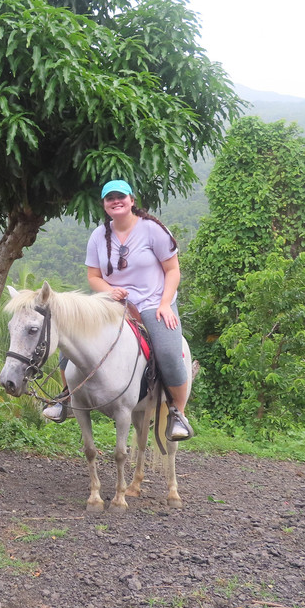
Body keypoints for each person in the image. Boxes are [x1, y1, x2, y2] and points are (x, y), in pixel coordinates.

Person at [43, 179, 193, 441]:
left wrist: (165, 304)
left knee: (169, 351)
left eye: (121, 196)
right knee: (71, 341)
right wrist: (108, 291)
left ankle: (177, 414)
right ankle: (64, 398)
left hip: (152, 302)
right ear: (104, 205)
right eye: (110, 198)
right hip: (112, 304)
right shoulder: (99, 236)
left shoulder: (153, 230)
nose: (116, 201)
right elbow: (93, 276)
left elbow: (172, 270)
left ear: (132, 200)